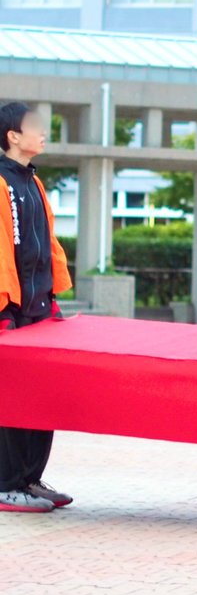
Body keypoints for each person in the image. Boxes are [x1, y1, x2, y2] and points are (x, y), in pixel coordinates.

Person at [0, 101, 73, 512]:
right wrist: (4, 310)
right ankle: (6, 483)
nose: (43, 132)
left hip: (38, 308)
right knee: (10, 399)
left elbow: (48, 244)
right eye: (35, 127)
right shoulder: (1, 181)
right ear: (13, 135)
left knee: (42, 396)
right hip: (9, 311)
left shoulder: (33, 182)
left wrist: (53, 298)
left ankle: (30, 479)